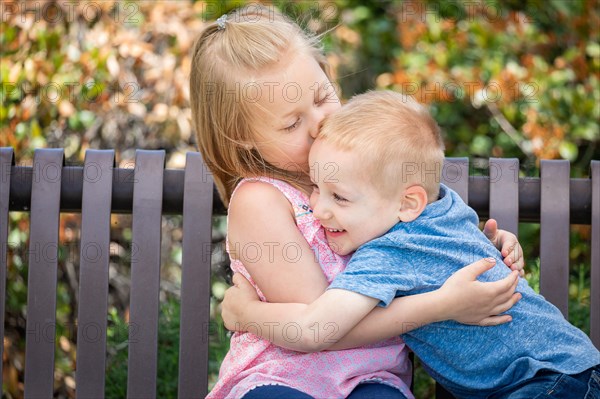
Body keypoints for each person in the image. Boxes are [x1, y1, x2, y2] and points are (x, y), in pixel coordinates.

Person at [190, 6, 525, 399]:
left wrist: (481, 250)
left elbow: (422, 237)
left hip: (375, 378)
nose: (317, 122)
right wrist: (444, 305)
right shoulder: (261, 200)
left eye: (322, 96)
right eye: (292, 123)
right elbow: (324, 329)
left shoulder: (367, 171)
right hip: (285, 376)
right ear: (241, 136)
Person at [221, 90, 600, 399]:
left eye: (340, 198)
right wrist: (495, 244)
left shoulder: (389, 252)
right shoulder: (445, 206)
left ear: (407, 203)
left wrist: (244, 313)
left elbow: (314, 330)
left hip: (543, 385)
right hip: (575, 367)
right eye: (316, 188)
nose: (318, 210)